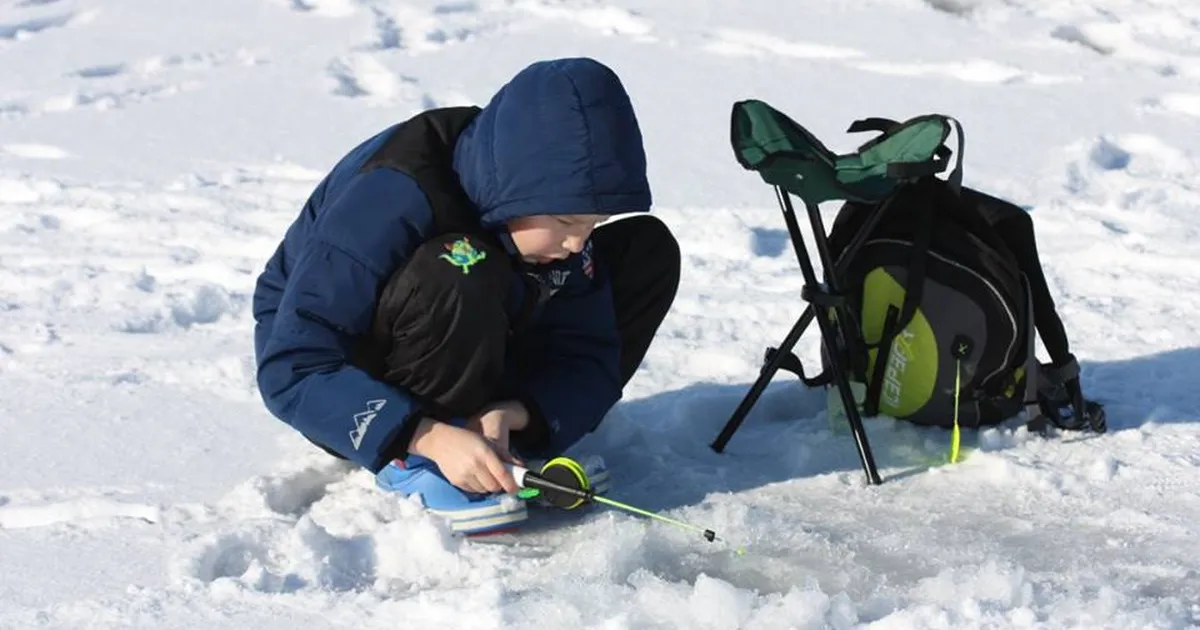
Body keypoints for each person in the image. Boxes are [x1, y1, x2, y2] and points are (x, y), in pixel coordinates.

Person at [251, 57, 681, 535]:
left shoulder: (550, 222)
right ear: (518, 190)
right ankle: (420, 465)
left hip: (478, 330)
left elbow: (588, 350)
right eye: (565, 223)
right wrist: (428, 437)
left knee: (646, 250)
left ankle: (499, 443)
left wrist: (516, 412)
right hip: (349, 380)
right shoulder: (393, 194)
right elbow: (293, 364)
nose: (578, 243)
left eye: (591, 226)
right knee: (462, 263)